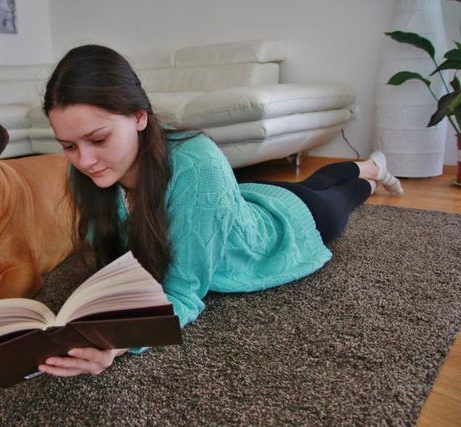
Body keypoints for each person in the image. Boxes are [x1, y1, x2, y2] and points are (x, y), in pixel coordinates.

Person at [37, 44, 403, 377]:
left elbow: (183, 293)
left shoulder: (197, 165)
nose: (84, 160)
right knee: (314, 183)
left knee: (339, 197)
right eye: (68, 145)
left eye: (98, 139)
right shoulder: (84, 171)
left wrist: (116, 341)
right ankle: (367, 168)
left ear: (139, 117)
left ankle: (370, 172)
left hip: (282, 228)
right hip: (239, 201)